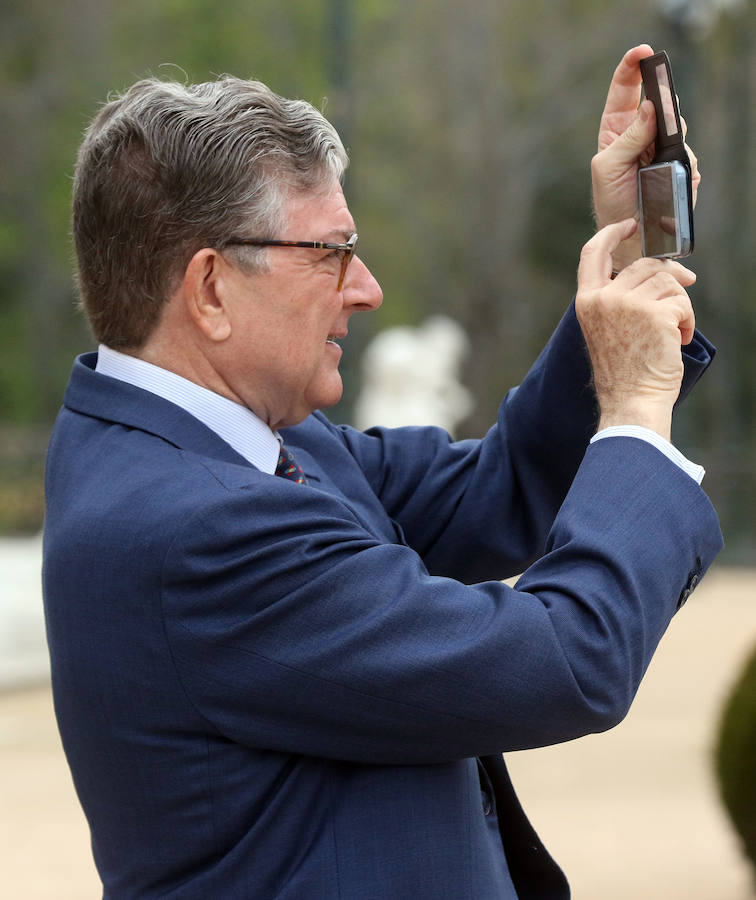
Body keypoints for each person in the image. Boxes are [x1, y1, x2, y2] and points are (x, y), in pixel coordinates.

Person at [43, 44, 722, 899]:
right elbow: (566, 659)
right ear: (209, 290)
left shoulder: (225, 440)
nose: (365, 288)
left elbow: (499, 492)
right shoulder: (200, 527)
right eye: (330, 252)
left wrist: (624, 260)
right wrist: (635, 415)